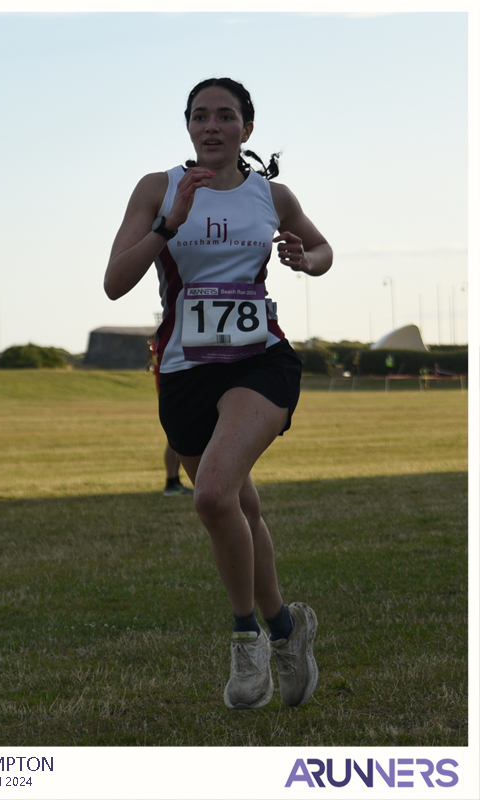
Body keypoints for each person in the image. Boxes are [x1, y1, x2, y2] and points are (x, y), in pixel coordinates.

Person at [104, 77, 332, 710]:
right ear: (188, 127)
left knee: (210, 495)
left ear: (246, 130)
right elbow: (115, 283)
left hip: (259, 363)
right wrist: (167, 223)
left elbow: (322, 248)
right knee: (242, 509)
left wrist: (304, 260)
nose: (212, 126)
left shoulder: (271, 194)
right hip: (184, 373)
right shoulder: (157, 188)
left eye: (225, 116)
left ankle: (247, 639)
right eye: (200, 116)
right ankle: (288, 629)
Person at [148, 337, 194, 497]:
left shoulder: (159, 338)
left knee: (178, 439)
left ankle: (174, 481)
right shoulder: (167, 337)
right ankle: (172, 482)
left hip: (169, 389)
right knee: (176, 439)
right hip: (175, 389)